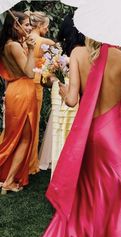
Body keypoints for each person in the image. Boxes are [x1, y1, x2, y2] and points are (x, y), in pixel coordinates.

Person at [14, 38, 121, 237]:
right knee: (109, 202)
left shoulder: (78, 53)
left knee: (83, 198)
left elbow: (71, 101)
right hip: (111, 138)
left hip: (87, 136)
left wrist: (63, 89)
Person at [39, 13, 85, 174]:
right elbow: (43, 80)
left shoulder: (81, 52)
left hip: (69, 95)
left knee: (63, 133)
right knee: (65, 132)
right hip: (65, 94)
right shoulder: (58, 51)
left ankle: (62, 174)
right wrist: (54, 79)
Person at [0, 11, 37, 193]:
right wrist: (30, 50)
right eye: (27, 24)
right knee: (23, 139)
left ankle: (8, 177)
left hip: (14, 91)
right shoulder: (14, 45)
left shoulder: (9, 44)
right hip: (22, 91)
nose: (30, 27)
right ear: (15, 25)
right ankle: (8, 182)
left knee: (13, 137)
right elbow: (29, 72)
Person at [25, 11, 54, 175]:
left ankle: (24, 161)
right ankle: (30, 163)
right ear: (41, 25)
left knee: (25, 125)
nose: (48, 29)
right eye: (47, 26)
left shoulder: (25, 40)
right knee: (33, 123)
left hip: (23, 82)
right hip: (36, 85)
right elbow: (58, 64)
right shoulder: (46, 42)